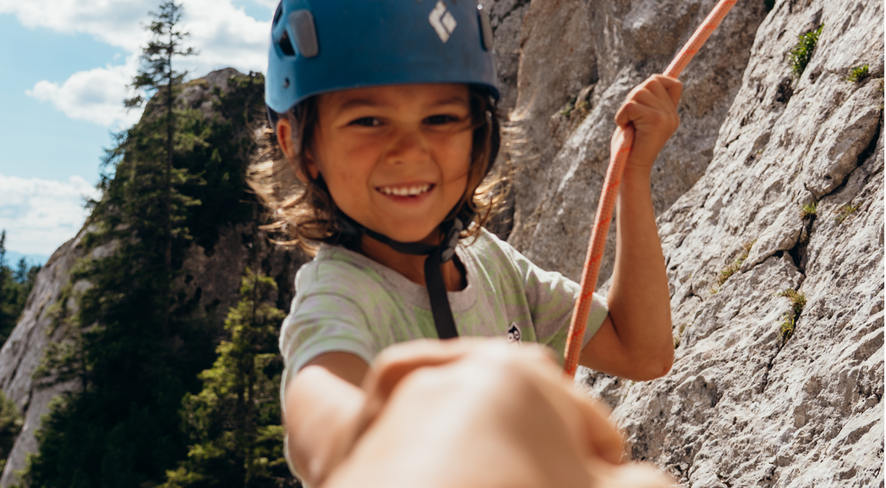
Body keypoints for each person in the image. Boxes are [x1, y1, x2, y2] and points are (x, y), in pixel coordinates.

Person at [250, 0, 679, 486]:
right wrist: (375, 445)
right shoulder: (337, 299)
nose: (409, 150)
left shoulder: (492, 264)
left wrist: (633, 175)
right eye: (368, 120)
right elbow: (321, 414)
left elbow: (640, 352)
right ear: (299, 146)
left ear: (479, 132)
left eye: (440, 118)